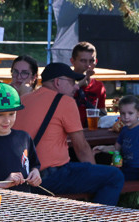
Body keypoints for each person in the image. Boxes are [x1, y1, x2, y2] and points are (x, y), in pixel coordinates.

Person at [17, 63, 124, 205]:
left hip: (24, 177)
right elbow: (82, 148)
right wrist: (93, 172)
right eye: (72, 82)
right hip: (50, 177)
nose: (76, 86)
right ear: (57, 82)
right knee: (114, 176)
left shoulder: (24, 99)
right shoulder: (65, 101)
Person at [93, 95, 139, 182]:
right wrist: (102, 148)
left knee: (108, 177)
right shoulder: (124, 130)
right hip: (124, 166)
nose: (126, 117)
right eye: (123, 113)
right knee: (103, 172)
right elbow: (116, 149)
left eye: (130, 113)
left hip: (137, 169)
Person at [71, 41, 107, 123]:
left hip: (91, 130)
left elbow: (103, 113)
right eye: (83, 61)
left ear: (96, 61)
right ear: (72, 61)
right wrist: (80, 84)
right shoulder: (64, 83)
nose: (88, 65)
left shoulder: (99, 86)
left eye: (91, 61)